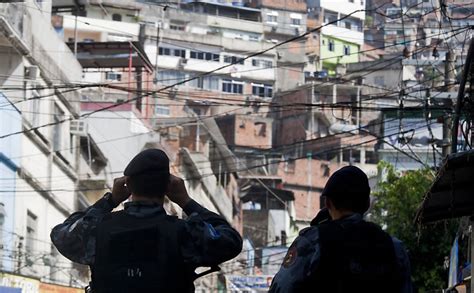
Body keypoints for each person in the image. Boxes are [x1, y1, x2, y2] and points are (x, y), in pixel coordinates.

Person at [51, 149, 243, 292]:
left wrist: (109, 201)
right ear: (168, 187)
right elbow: (231, 240)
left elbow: (61, 233)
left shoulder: (98, 231)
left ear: (127, 186)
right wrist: (186, 201)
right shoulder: (185, 233)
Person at [269, 166, 413, 293]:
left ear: (328, 203)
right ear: (368, 204)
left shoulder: (312, 241)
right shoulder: (394, 247)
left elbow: (281, 287)